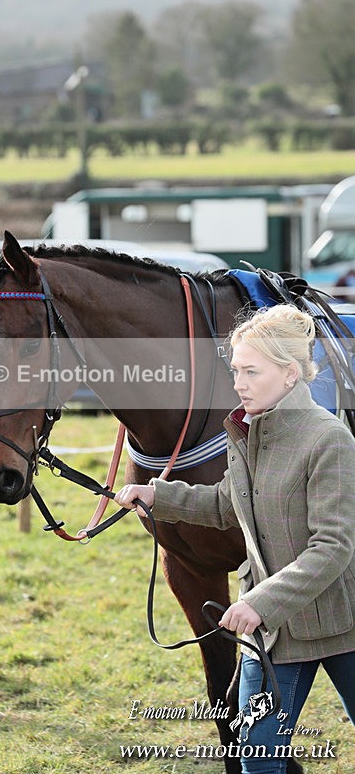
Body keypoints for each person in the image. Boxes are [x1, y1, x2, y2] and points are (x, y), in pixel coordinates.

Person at [114, 304, 355, 772]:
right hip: (273, 636)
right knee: (258, 759)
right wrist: (158, 495)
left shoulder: (330, 440)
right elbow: (229, 503)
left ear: (289, 374)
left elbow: (333, 546)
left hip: (343, 624)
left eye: (250, 371)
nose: (238, 383)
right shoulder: (244, 432)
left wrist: (259, 602)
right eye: (235, 370)